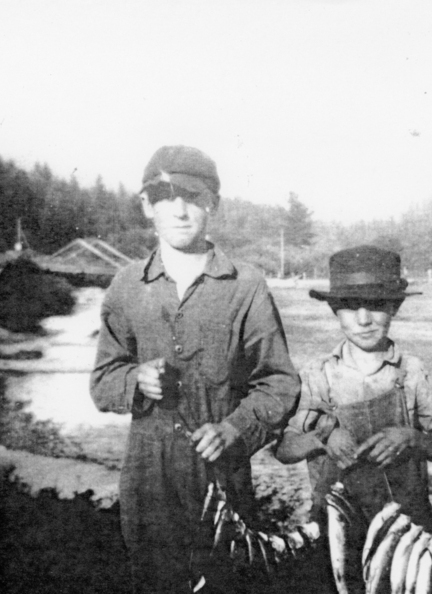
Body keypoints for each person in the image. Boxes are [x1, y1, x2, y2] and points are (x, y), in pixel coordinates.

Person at [90, 145, 300, 594]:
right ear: (147, 205)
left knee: (226, 582)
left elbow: (279, 383)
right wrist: (136, 380)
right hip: (147, 477)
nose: (180, 210)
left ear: (214, 204)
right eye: (164, 196)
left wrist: (236, 429)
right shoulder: (127, 285)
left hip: (222, 471)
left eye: (193, 195)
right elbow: (103, 381)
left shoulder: (246, 285)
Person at [276, 245, 432, 535]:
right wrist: (322, 438)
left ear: (394, 308)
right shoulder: (318, 375)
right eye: (351, 306)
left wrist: (412, 438)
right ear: (335, 310)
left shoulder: (410, 372)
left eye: (376, 305)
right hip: (337, 530)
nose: (363, 319)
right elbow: (285, 450)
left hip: (407, 530)